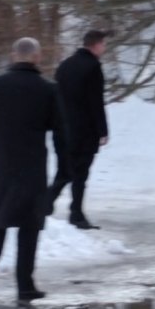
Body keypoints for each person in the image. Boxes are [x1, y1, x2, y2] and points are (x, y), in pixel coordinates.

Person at [0, 37, 64, 305]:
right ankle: (25, 287)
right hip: (33, 168)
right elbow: (60, 133)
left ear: (14, 56)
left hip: (1, 166)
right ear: (37, 57)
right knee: (28, 228)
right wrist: (64, 170)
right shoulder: (48, 89)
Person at [47, 29, 111, 230]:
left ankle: (43, 204)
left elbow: (56, 96)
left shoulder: (65, 65)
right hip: (83, 131)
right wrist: (102, 130)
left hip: (61, 128)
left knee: (65, 171)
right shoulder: (93, 68)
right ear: (97, 45)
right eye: (104, 44)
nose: (105, 48)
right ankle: (76, 214)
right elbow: (95, 102)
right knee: (80, 174)